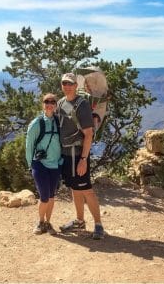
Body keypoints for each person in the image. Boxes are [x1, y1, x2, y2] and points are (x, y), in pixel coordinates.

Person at [56, 72, 105, 239]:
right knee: (75, 188)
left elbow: (89, 134)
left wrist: (83, 159)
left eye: (70, 83)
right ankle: (79, 220)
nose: (67, 86)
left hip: (78, 154)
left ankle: (98, 225)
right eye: (64, 83)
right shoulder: (61, 103)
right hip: (66, 154)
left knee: (86, 190)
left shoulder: (81, 104)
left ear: (76, 85)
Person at [25, 92, 62, 235]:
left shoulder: (59, 122)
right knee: (44, 196)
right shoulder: (36, 123)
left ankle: (48, 222)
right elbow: (29, 146)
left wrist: (61, 161)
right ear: (43, 104)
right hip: (39, 164)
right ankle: (40, 222)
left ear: (55, 105)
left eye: (52, 102)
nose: (49, 105)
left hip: (55, 164)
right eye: (47, 102)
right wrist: (31, 165)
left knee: (52, 196)